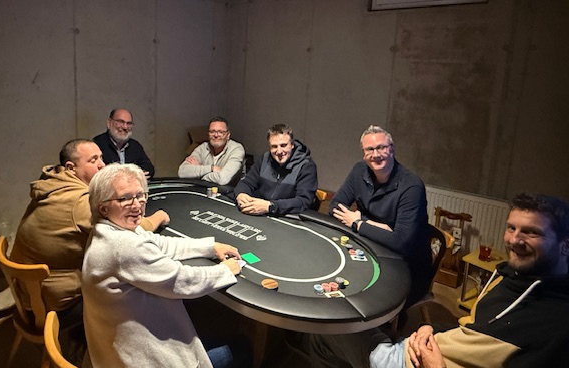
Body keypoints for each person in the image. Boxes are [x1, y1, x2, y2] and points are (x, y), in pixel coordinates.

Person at [307, 192, 569, 368]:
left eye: (531, 232)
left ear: (565, 245)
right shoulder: (511, 276)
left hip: (413, 361)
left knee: (330, 326)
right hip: (425, 346)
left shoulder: (557, 326)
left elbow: (401, 240)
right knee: (332, 338)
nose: (514, 240)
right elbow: (473, 330)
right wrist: (433, 328)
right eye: (511, 228)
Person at [82, 163, 251, 368]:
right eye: (125, 198)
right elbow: (181, 281)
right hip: (139, 360)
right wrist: (224, 271)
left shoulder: (110, 229)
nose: (137, 205)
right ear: (103, 207)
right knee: (242, 348)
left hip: (114, 349)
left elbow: (158, 243)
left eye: (140, 195)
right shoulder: (122, 246)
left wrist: (210, 247)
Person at [11, 139, 169, 323]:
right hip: (53, 304)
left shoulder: (52, 184)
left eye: (101, 157)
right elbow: (129, 228)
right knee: (131, 287)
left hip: (27, 290)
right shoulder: (79, 201)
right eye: (93, 160)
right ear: (71, 168)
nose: (102, 165)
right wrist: (159, 216)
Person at [330, 125, 431, 308]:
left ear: (392, 149)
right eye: (369, 149)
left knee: (366, 304)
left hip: (407, 268)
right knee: (338, 287)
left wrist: (359, 223)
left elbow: (400, 242)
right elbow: (335, 206)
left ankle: (388, 324)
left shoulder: (412, 186)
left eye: (381, 148)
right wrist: (375, 226)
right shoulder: (359, 171)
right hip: (371, 249)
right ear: (364, 154)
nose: (376, 154)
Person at [234, 123, 317, 216]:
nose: (279, 151)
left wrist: (271, 206)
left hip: (286, 216)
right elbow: (246, 182)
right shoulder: (264, 158)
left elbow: (303, 201)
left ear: (292, 145)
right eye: (274, 146)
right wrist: (241, 194)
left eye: (283, 145)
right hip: (260, 213)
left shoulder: (306, 166)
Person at [178, 116, 246, 186]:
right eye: (212, 131)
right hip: (206, 189)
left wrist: (198, 174)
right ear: (208, 134)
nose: (216, 135)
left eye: (221, 132)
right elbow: (182, 172)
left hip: (231, 191)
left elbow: (223, 179)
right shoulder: (202, 148)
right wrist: (211, 168)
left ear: (228, 135)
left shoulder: (237, 149)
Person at [93, 108, 155, 178]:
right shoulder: (97, 144)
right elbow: (95, 172)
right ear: (109, 123)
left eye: (129, 123)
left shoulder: (135, 146)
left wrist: (135, 175)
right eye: (120, 122)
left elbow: (149, 169)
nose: (125, 127)